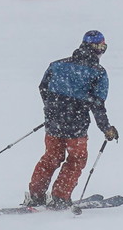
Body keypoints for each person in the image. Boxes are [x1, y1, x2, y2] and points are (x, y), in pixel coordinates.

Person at [26, 30, 118, 209]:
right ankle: (60, 197)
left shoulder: (57, 65)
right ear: (97, 48)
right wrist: (106, 128)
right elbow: (98, 105)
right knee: (77, 158)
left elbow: (43, 88)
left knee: (51, 157)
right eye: (102, 46)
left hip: (53, 122)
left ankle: (36, 195)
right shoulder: (98, 73)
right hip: (76, 126)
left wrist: (52, 110)